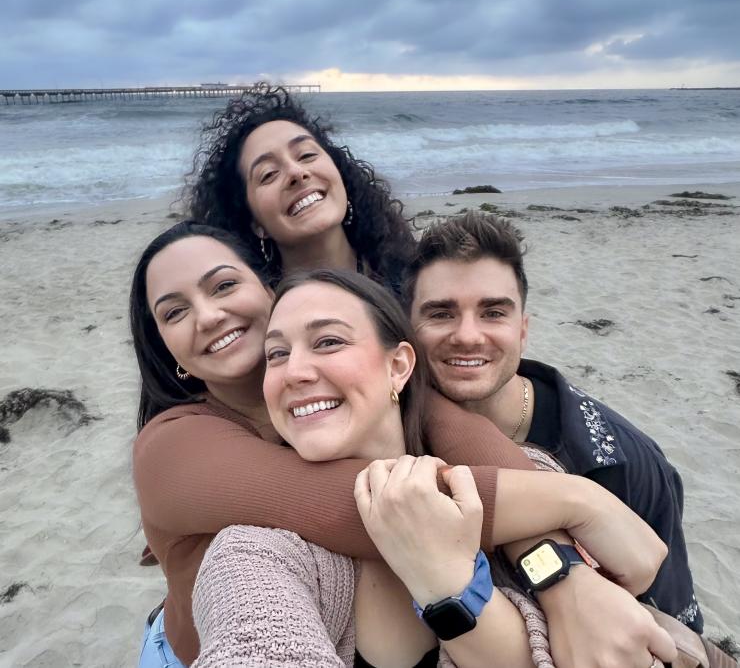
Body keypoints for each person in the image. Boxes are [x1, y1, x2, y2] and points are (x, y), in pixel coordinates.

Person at [132, 222, 670, 667]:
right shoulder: (175, 450)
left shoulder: (396, 401)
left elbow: (459, 431)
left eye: (223, 286)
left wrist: (561, 571)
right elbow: (359, 502)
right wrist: (582, 501)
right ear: (166, 346)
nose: (208, 315)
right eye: (173, 311)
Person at [403, 210, 703, 631]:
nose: (468, 335)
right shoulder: (392, 431)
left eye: (493, 313)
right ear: (409, 331)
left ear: (523, 330)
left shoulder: (623, 462)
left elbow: (674, 619)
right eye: (441, 314)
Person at [184, 82, 415, 294]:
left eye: (306, 155)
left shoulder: (412, 281)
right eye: (269, 174)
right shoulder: (260, 318)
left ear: (341, 175)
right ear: (255, 223)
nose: (296, 173)